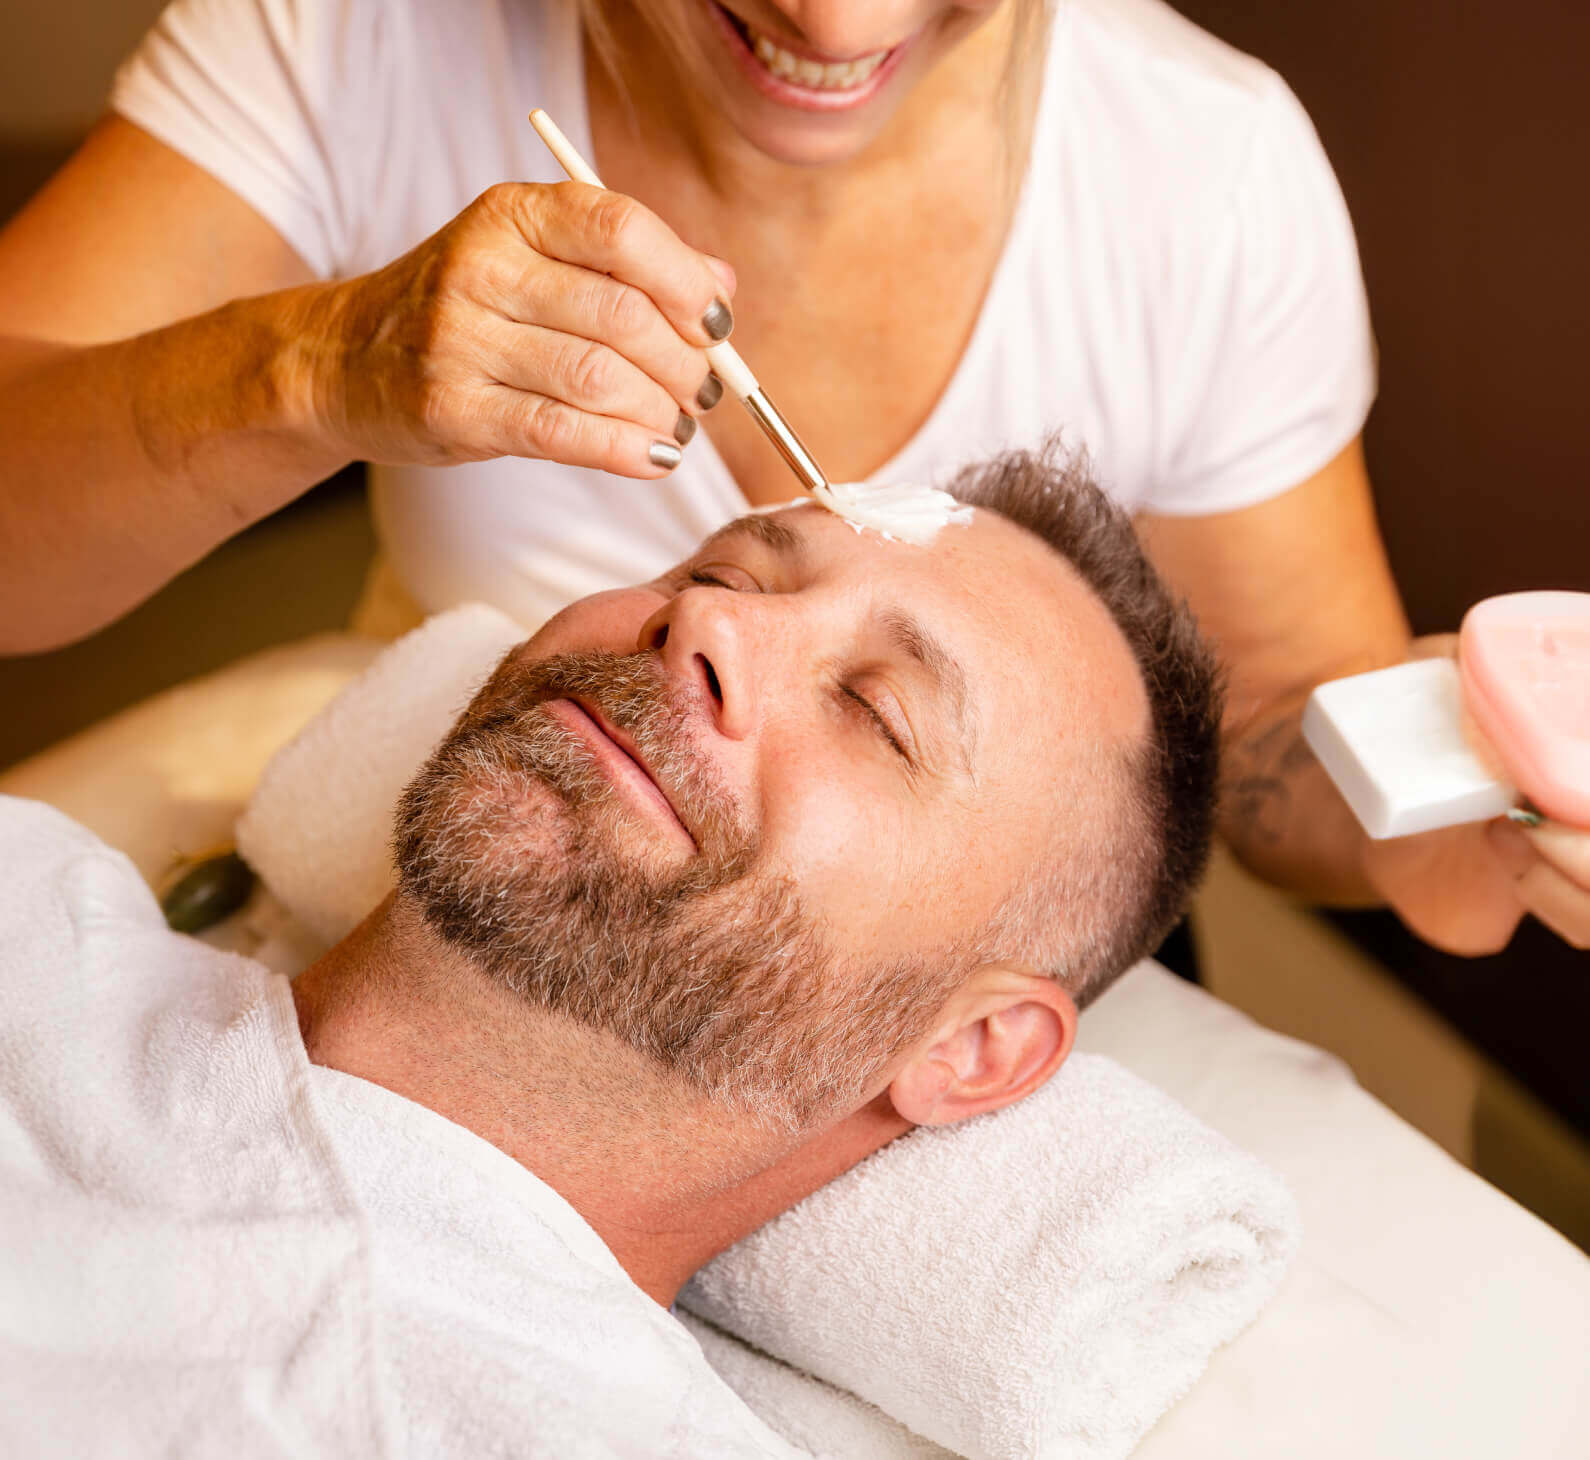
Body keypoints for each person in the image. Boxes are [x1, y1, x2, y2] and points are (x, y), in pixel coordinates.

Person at [0, 0, 1583, 952]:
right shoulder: (359, 37)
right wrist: (315, 364)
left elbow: (1262, 727)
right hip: (472, 869)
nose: (831, 26)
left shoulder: (1204, 176)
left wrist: (1432, 806)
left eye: (883, 703)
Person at [0, 451, 1221, 1456]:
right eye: (720, 566)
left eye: (874, 707)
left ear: (969, 1046)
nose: (709, 618)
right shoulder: (34, 893)